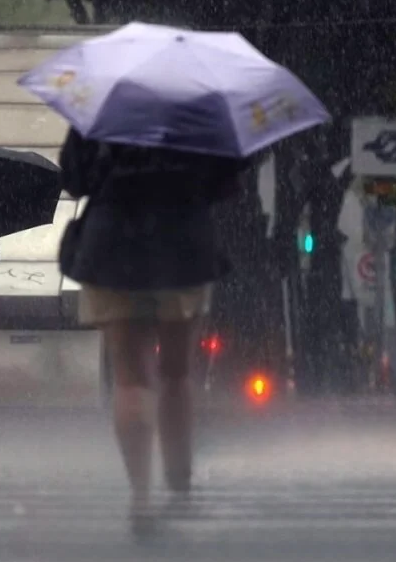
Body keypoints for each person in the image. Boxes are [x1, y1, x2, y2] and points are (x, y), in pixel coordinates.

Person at [57, 128, 252, 534]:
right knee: (176, 373)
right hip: (182, 240)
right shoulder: (196, 107)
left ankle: (141, 498)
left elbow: (74, 179)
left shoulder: (105, 107)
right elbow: (227, 178)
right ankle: (180, 489)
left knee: (131, 378)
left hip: (112, 243)